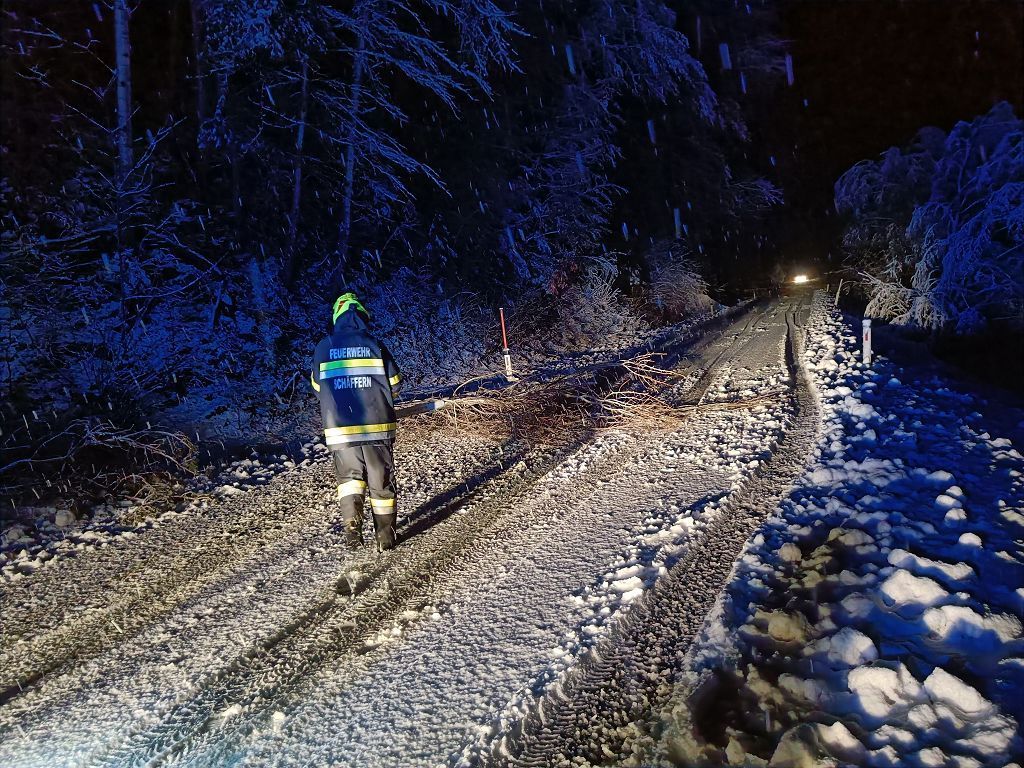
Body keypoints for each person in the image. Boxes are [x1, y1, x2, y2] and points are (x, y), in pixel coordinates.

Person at [310, 292, 403, 551]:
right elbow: (395, 384)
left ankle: (352, 529)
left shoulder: (323, 347)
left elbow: (317, 388)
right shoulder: (374, 344)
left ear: (336, 317)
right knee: (380, 482)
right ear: (362, 316)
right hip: (376, 428)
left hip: (340, 430)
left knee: (349, 480)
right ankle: (385, 538)